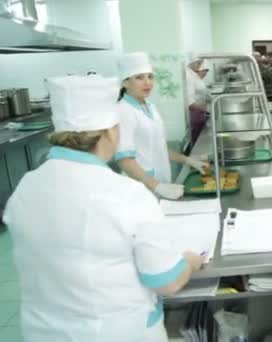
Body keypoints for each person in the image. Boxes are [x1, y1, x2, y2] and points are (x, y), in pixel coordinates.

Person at [3, 75, 204, 342]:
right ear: (111, 133)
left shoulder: (25, 188)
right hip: (118, 332)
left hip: (43, 333)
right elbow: (166, 281)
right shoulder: (128, 195)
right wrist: (191, 261)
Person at [115, 52, 208, 200]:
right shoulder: (123, 111)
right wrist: (156, 186)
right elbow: (124, 160)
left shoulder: (150, 106)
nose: (147, 82)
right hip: (141, 189)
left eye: (150, 76)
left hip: (160, 183)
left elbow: (158, 147)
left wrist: (187, 160)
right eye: (139, 77)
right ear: (125, 82)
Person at [185, 54, 210, 149]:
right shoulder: (188, 76)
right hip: (194, 113)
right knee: (195, 140)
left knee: (198, 137)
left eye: (201, 63)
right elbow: (189, 101)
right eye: (198, 62)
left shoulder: (192, 74)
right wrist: (207, 109)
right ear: (191, 62)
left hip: (200, 112)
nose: (200, 65)